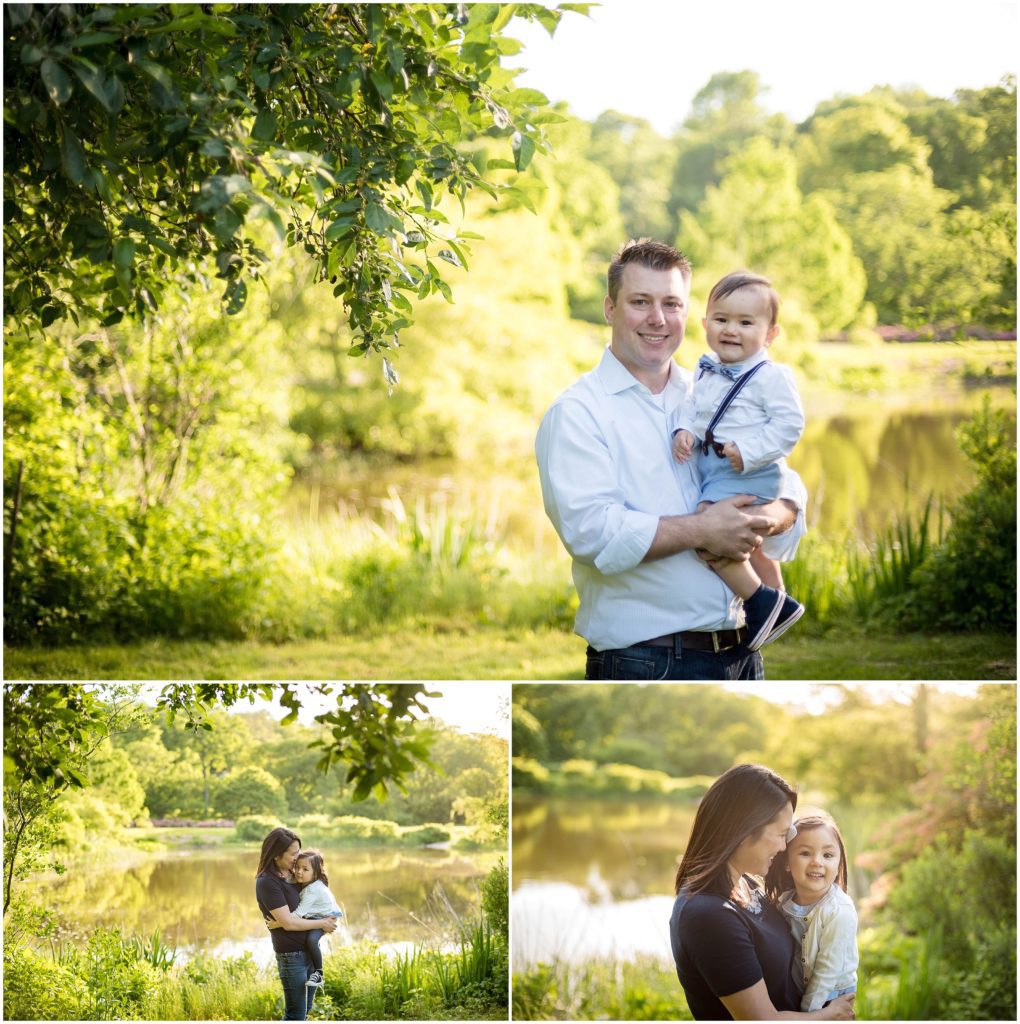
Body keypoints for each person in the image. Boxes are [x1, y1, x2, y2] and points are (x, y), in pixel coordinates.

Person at [535, 239, 808, 680]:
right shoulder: (578, 413)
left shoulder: (712, 388)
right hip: (648, 661)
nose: (657, 319)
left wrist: (779, 511)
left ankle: (769, 604)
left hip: (742, 653)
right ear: (610, 308)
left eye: (671, 304)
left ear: (687, 313)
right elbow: (593, 534)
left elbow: (779, 470)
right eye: (640, 302)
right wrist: (704, 529)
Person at [670, 271, 805, 650]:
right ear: (704, 323)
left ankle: (763, 603)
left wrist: (749, 451)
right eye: (722, 319)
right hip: (717, 469)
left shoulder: (771, 376)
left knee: (709, 532)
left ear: (771, 333)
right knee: (742, 540)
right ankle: (775, 596)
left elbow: (789, 425)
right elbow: (695, 409)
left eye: (746, 322)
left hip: (749, 471)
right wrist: (685, 431)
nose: (731, 330)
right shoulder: (705, 369)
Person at [668, 764, 855, 1020]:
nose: (783, 847)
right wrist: (828, 1015)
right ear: (744, 832)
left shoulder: (747, 883)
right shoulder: (708, 915)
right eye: (781, 835)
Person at [765, 814, 859, 1012]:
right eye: (806, 853)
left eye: (828, 855)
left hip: (830, 995)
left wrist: (809, 1013)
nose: (817, 862)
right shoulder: (784, 902)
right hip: (801, 990)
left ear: (838, 863)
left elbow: (827, 969)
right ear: (787, 862)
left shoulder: (839, 911)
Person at [255, 827, 339, 1021]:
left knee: (305, 1010)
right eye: (293, 853)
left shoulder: (296, 874)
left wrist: (326, 919)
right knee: (295, 1015)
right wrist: (323, 923)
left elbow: (319, 896)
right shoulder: (267, 882)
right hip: (291, 956)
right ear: (276, 855)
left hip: (309, 951)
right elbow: (289, 924)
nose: (297, 857)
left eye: (298, 851)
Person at [291, 849, 344, 989]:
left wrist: (278, 922)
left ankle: (319, 973)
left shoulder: (312, 890)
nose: (299, 872)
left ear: (315, 873)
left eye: (305, 869)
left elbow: (298, 914)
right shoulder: (310, 883)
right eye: (297, 867)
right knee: (309, 939)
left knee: (311, 940)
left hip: (324, 917)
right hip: (319, 915)